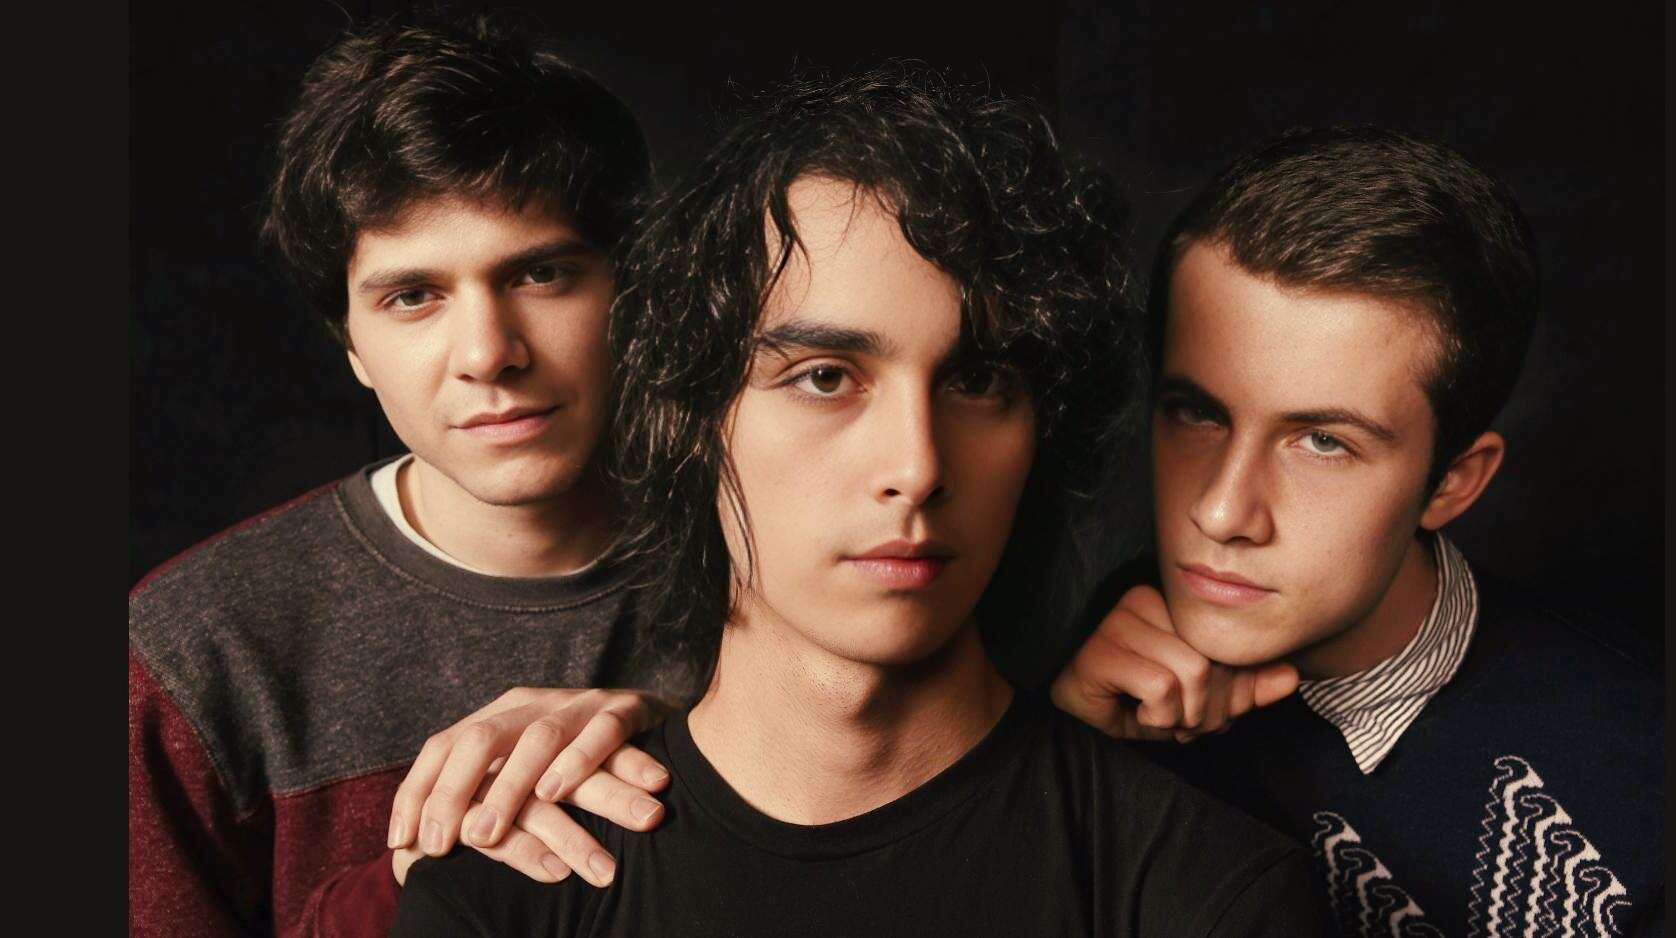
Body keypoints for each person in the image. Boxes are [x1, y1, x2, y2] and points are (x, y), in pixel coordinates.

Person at [392, 64, 1324, 937]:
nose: (916, 467)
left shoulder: (1206, 896)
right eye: (826, 377)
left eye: (977, 382)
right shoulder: (507, 885)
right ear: (688, 417)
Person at [128, 18, 702, 937]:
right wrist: (409, 885)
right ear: (351, 345)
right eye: (413, 297)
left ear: (630, 292)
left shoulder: (788, 573)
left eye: (543, 274)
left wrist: (688, 741)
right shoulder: (197, 646)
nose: (488, 354)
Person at [1052, 126, 1665, 936]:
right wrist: (1061, 764)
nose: (1221, 512)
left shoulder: (1639, 766)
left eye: (1323, 442)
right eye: (1197, 414)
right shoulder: (1095, 675)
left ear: (1452, 481)